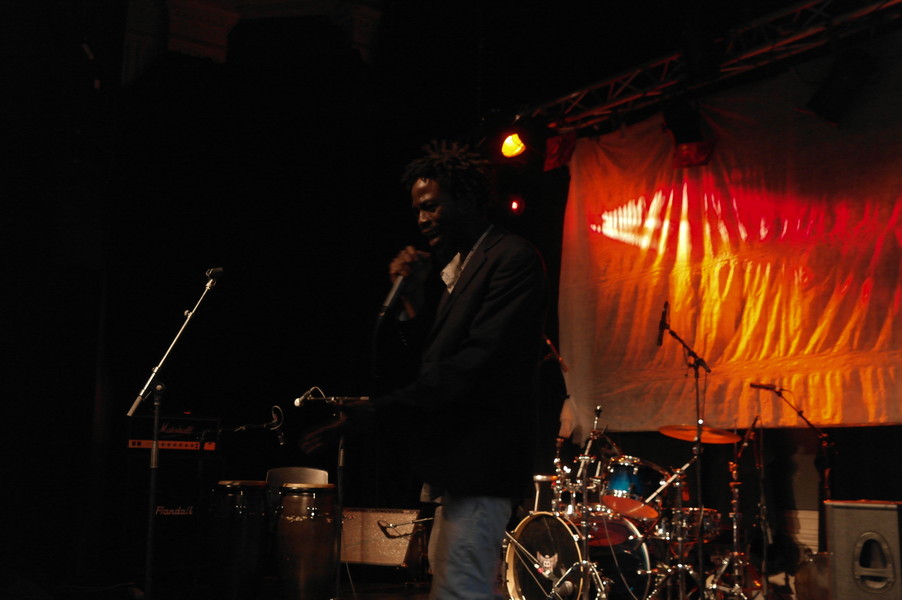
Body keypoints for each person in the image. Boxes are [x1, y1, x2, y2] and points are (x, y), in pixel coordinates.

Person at [302, 140, 547, 600]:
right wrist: (413, 302)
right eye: (417, 209)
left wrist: (377, 412)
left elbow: (475, 364)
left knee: (460, 587)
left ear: (467, 199)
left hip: (483, 464)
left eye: (431, 206)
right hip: (454, 463)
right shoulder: (460, 268)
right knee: (458, 582)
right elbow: (433, 362)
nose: (421, 219)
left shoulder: (511, 258)